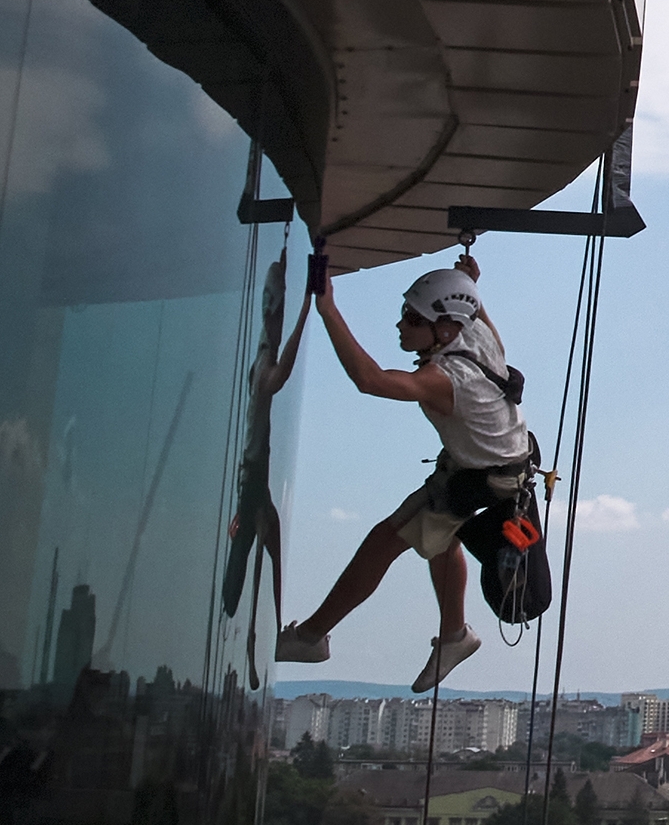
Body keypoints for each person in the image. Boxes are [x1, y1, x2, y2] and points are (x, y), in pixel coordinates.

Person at [275, 250, 530, 692]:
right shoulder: (476, 336)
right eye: (405, 315)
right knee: (438, 541)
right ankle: (454, 635)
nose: (401, 325)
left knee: (383, 542)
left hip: (479, 479)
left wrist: (328, 309)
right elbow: (476, 315)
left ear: (446, 329)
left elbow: (370, 380)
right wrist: (469, 284)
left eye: (413, 319)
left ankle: (312, 639)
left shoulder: (447, 377)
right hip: (493, 470)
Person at [221, 253, 312, 674]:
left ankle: (266, 636)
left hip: (251, 476)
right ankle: (268, 637)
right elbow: (281, 375)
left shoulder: (257, 355)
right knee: (263, 560)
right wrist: (307, 309)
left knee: (260, 559)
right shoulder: (263, 366)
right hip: (254, 477)